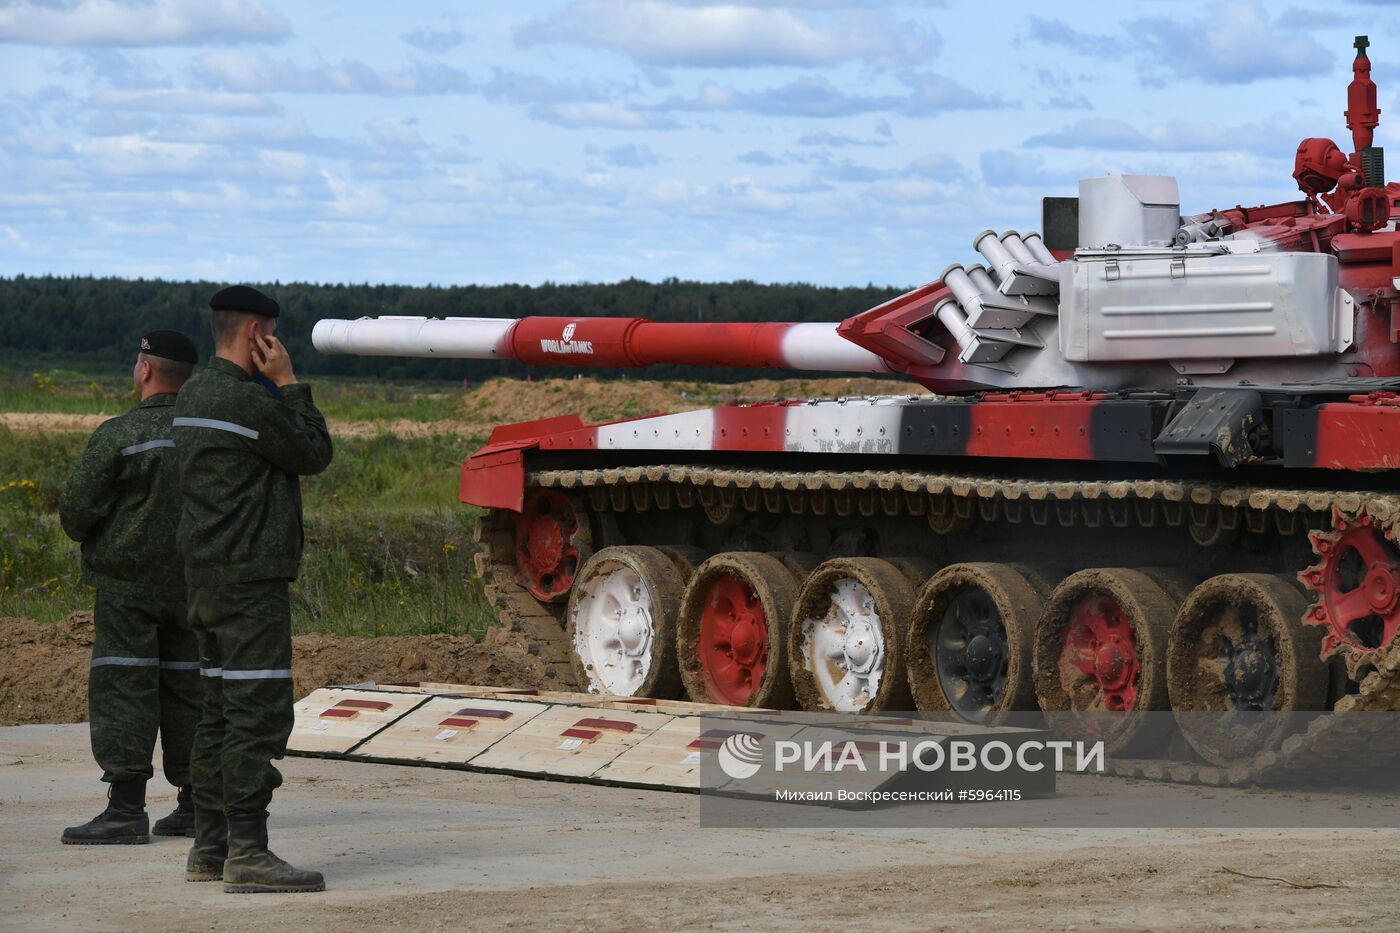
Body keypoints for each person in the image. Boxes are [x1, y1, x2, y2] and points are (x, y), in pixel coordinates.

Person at [173, 285, 333, 894]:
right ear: (256, 335)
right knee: (254, 715)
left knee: (215, 714)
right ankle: (249, 853)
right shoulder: (247, 402)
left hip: (204, 580)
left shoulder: (192, 394)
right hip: (249, 584)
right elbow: (313, 451)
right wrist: (290, 383)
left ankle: (210, 847)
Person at [58, 330, 202, 845]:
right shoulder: (206, 434)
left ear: (144, 369)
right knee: (192, 688)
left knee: (124, 686)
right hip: (194, 585)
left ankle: (125, 810)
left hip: (126, 589)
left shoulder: (119, 434)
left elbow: (76, 513)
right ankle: (196, 805)